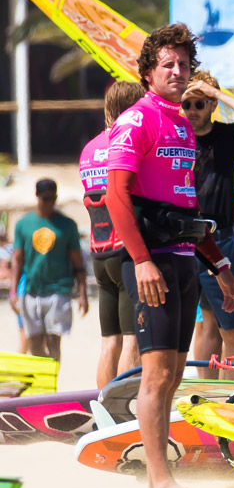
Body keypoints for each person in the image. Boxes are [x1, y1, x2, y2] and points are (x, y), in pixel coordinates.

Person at [106, 23, 234, 488]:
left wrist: (219, 265)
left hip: (185, 258)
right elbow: (115, 195)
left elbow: (188, 210)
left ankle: (162, 476)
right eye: (169, 64)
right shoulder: (137, 120)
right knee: (157, 374)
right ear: (147, 73)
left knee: (174, 375)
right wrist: (141, 260)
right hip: (152, 264)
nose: (179, 73)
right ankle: (159, 481)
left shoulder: (182, 125)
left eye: (184, 65)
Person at [179, 69, 234, 381]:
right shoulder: (176, 138)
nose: (192, 111)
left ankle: (231, 405)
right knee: (204, 327)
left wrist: (216, 93)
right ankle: (205, 398)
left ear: (212, 106)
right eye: (187, 104)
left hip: (221, 240)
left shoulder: (226, 138)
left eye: (199, 104)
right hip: (184, 243)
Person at [80, 80, 145, 387]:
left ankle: (103, 409)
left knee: (109, 341)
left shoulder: (89, 149)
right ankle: (122, 412)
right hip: (126, 253)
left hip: (98, 252)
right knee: (132, 340)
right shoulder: (128, 144)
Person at [9, 178, 86, 363]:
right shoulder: (23, 224)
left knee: (53, 341)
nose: (49, 203)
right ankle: (42, 385)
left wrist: (82, 292)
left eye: (53, 198)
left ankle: (52, 385)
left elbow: (78, 261)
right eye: (45, 199)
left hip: (59, 290)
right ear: (37, 197)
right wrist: (13, 292)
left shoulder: (67, 225)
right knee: (34, 343)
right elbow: (17, 260)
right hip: (32, 290)